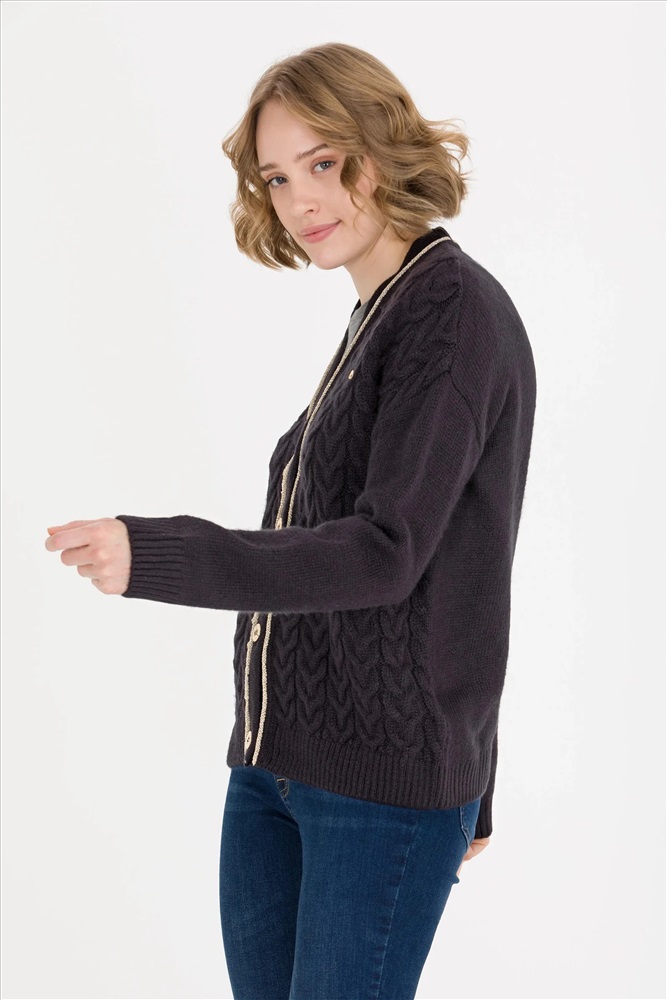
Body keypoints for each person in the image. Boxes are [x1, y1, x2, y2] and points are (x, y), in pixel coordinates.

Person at [45, 42, 537, 1000]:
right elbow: (459, 553)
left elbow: (388, 552)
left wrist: (159, 554)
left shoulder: (449, 311)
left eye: (323, 162)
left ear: (382, 147)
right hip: (276, 767)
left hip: (375, 790)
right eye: (276, 177)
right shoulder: (382, 314)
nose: (300, 199)